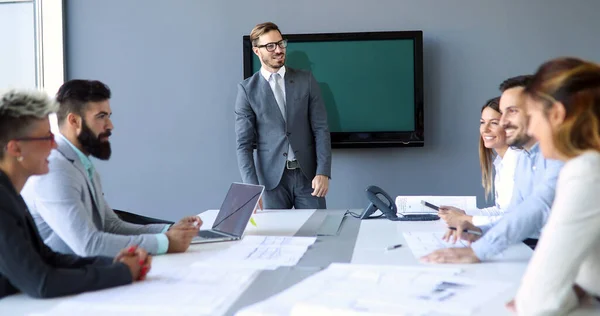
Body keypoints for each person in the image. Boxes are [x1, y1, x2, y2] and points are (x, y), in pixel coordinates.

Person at [22, 80, 201, 257]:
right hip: (61, 281)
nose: (110, 125)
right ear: (74, 121)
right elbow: (88, 245)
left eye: (109, 116)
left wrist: (172, 231)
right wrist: (166, 242)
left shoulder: (80, 164)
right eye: (101, 116)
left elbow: (111, 226)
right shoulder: (55, 169)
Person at [0, 89, 149, 298]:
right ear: (15, 149)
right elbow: (42, 282)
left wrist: (112, 262)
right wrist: (122, 272)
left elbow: (46, 258)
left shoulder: (10, 194)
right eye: (46, 138)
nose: (54, 145)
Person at [421, 75, 563, 263]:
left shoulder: (561, 155)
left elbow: (538, 208)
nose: (503, 122)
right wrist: (480, 231)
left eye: (512, 111)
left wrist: (479, 250)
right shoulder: (527, 159)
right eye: (502, 113)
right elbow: (514, 214)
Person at [507, 57, 600, 315]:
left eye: (533, 116)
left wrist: (552, 294)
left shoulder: (587, 171)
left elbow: (537, 303)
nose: (532, 129)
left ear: (557, 114)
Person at [235, 22, 332, 209]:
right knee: (274, 236)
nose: (279, 50)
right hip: (271, 183)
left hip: (309, 178)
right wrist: (251, 188)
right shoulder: (247, 90)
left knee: (318, 234)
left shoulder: (307, 80)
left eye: (281, 43)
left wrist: (323, 172)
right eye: (270, 46)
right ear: (257, 51)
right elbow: (243, 145)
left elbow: (321, 129)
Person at [439, 97, 519, 227]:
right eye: (482, 122)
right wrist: (463, 214)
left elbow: (512, 218)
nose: (485, 129)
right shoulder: (502, 161)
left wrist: (466, 218)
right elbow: (501, 211)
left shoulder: (517, 161)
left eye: (494, 123)